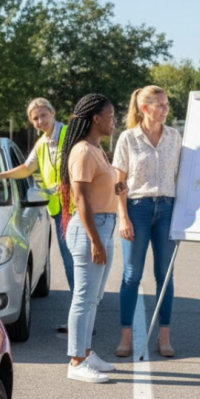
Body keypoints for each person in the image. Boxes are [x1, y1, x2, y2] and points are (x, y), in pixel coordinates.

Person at [0, 97, 75, 333]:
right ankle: (81, 318)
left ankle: (82, 320)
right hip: (59, 212)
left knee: (78, 265)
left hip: (77, 210)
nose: (40, 121)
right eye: (35, 119)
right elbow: (27, 168)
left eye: (43, 115)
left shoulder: (70, 135)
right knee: (72, 265)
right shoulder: (43, 143)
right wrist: (2, 176)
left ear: (53, 112)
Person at [112, 86, 182, 358]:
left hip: (167, 209)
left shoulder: (174, 137)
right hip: (137, 209)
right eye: (160, 105)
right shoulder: (128, 139)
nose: (165, 110)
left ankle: (164, 337)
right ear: (144, 108)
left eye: (166, 105)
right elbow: (119, 181)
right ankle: (125, 336)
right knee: (131, 275)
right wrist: (123, 217)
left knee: (165, 277)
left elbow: (182, 176)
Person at [59, 93, 119, 383]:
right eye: (111, 116)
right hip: (89, 228)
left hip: (104, 224)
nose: (114, 121)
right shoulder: (82, 151)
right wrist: (95, 240)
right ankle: (76, 361)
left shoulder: (97, 149)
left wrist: (116, 190)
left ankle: (85, 351)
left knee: (94, 297)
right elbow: (81, 200)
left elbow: (97, 189)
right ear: (96, 119)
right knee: (83, 297)